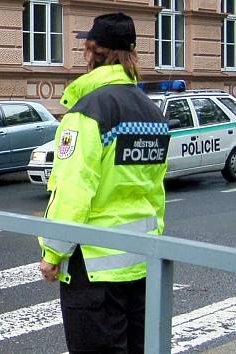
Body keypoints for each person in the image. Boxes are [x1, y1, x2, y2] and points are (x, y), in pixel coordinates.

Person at [38, 13, 170, 354]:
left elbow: (73, 190)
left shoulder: (87, 111)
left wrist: (53, 252)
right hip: (142, 262)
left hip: (93, 269)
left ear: (90, 49)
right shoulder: (153, 113)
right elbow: (155, 192)